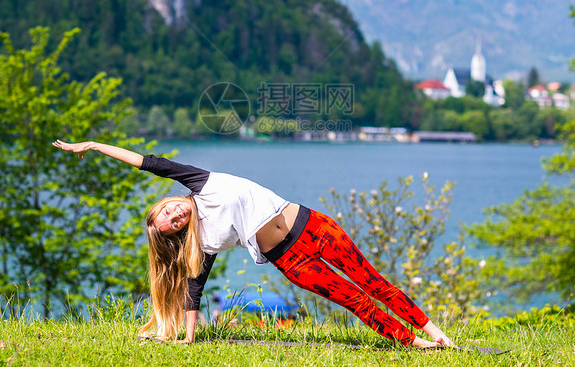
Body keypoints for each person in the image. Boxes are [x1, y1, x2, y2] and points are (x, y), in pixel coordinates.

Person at [52, 139, 454, 348]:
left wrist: (93, 146)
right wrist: (188, 336)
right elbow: (195, 288)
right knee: (355, 300)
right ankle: (411, 342)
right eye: (172, 225)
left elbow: (147, 162)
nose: (176, 218)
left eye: (171, 211)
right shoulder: (202, 242)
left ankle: (432, 330)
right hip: (290, 260)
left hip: (312, 225)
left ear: (171, 200)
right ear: (174, 234)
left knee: (372, 282)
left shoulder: (197, 181)